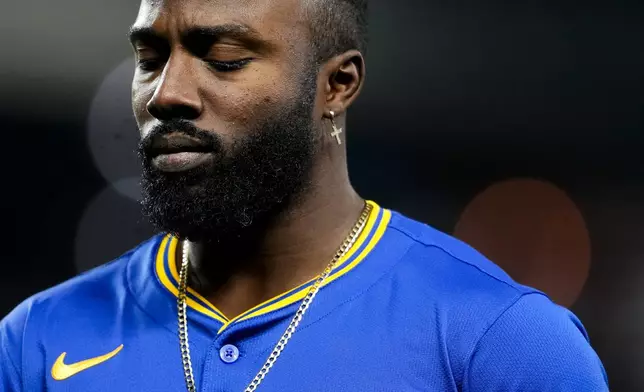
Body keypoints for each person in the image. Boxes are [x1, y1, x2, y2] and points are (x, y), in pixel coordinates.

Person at [1, 0, 609, 391]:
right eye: (151, 57)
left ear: (336, 85)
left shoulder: (498, 341)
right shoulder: (36, 339)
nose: (167, 93)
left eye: (224, 58)